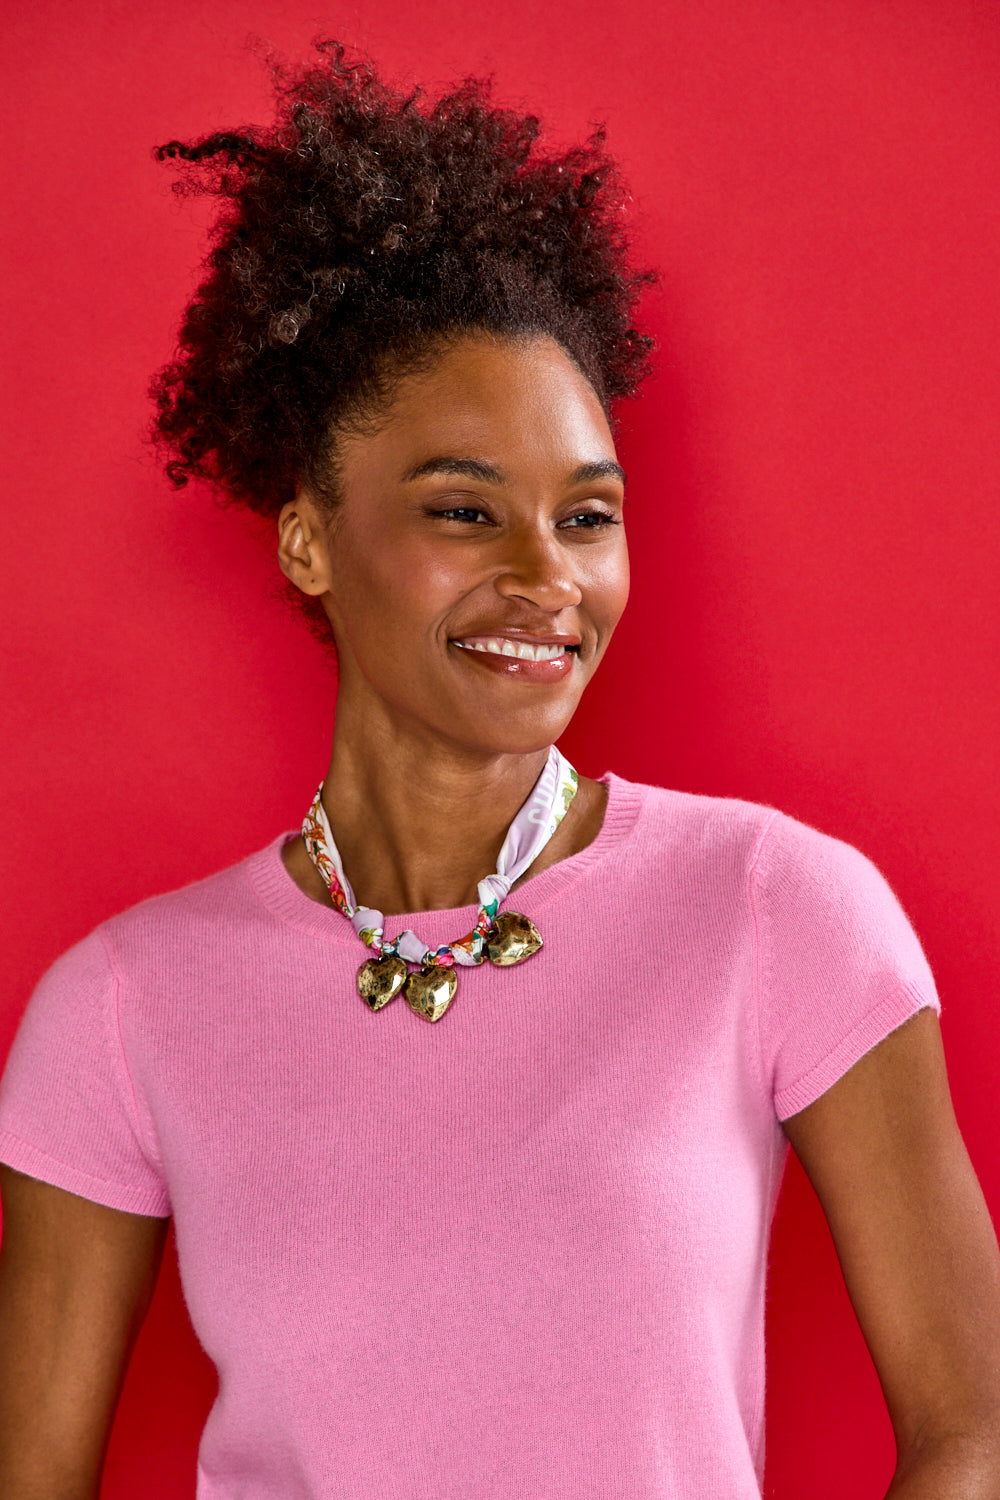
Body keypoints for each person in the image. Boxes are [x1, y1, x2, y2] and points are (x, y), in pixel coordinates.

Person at [0, 39, 998, 1500]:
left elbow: (973, 1426)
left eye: (587, 517)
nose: (549, 577)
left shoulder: (777, 908)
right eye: (467, 511)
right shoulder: (125, 1007)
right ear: (308, 539)